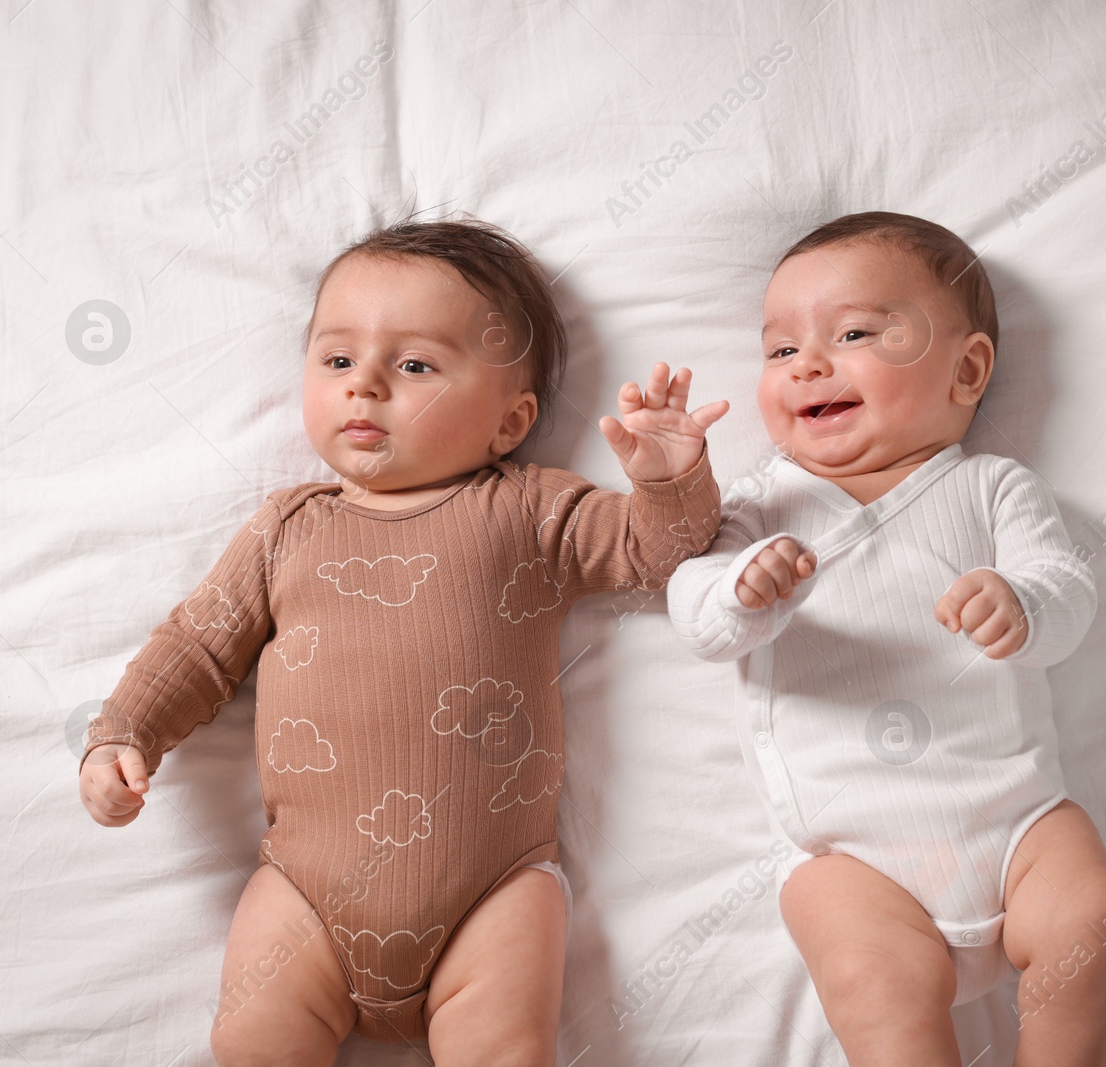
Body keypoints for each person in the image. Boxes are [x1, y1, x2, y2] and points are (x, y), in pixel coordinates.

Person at [79, 218, 727, 1065]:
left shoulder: (530, 509)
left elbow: (658, 553)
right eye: (338, 359)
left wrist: (672, 478)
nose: (366, 386)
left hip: (493, 891)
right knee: (250, 1039)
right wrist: (124, 732)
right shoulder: (286, 529)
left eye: (414, 365)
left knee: (506, 1048)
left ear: (510, 420)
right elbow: (197, 647)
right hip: (303, 891)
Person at [667, 211, 1106, 1066]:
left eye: (852, 334)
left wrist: (1022, 602)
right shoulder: (759, 508)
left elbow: (1069, 591)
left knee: (1093, 915)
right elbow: (695, 615)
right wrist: (743, 589)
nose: (807, 363)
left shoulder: (994, 489)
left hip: (1018, 818)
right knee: (871, 984)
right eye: (780, 350)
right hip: (853, 855)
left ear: (968, 370)